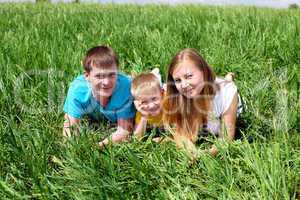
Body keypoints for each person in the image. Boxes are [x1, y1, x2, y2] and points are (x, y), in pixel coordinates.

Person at [163, 48, 243, 157]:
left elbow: (226, 138)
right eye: (178, 80)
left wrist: (205, 155)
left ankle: (229, 78)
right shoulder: (176, 94)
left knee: (227, 83)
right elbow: (180, 133)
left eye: (189, 76)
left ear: (204, 71)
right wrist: (193, 152)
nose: (184, 85)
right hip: (206, 117)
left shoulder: (227, 93)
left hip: (225, 101)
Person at [63, 45, 136, 148]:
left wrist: (97, 146)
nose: (106, 82)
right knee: (67, 117)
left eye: (111, 75)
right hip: (92, 106)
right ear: (87, 76)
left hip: (130, 84)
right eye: (99, 76)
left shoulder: (125, 87)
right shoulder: (78, 89)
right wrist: (73, 149)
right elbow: (71, 128)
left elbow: (124, 132)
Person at [131, 69, 166, 142]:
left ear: (162, 94)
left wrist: (164, 140)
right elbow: (137, 138)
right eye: (144, 102)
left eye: (154, 99)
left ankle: (157, 74)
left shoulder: (169, 104)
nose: (151, 105)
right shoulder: (142, 112)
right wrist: (144, 116)